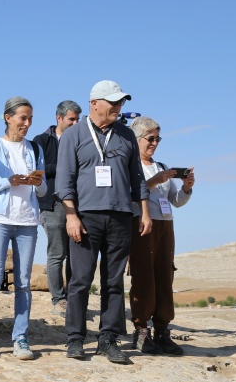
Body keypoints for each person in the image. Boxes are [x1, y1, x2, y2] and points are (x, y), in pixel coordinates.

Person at [55, 80, 151, 364]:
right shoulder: (73, 135)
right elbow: (64, 181)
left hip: (121, 215)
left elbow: (137, 178)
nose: (118, 107)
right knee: (80, 280)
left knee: (113, 281)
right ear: (94, 102)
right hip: (85, 217)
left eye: (121, 102)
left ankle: (108, 339)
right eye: (113, 102)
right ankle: (75, 338)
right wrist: (71, 215)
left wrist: (144, 211)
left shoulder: (126, 135)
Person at [0, 97, 46, 359]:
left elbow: (45, 188)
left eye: (30, 119)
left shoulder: (36, 149)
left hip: (27, 221)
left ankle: (21, 338)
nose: (27, 123)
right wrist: (9, 181)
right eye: (22, 118)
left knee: (24, 283)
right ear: (8, 117)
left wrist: (37, 182)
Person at [128, 116, 194, 355]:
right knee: (144, 276)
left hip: (166, 226)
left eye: (158, 138)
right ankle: (141, 331)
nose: (154, 143)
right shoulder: (131, 166)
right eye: (150, 138)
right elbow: (130, 197)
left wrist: (186, 187)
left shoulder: (162, 167)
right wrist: (153, 182)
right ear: (136, 140)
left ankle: (163, 331)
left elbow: (175, 201)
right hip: (142, 226)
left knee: (165, 275)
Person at [33, 100, 80, 317]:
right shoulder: (41, 141)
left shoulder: (82, 139)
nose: (75, 123)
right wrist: (64, 167)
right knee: (57, 253)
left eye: (78, 119)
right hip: (52, 205)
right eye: (72, 119)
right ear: (58, 118)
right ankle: (59, 300)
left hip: (80, 205)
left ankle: (74, 299)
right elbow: (36, 171)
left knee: (77, 255)